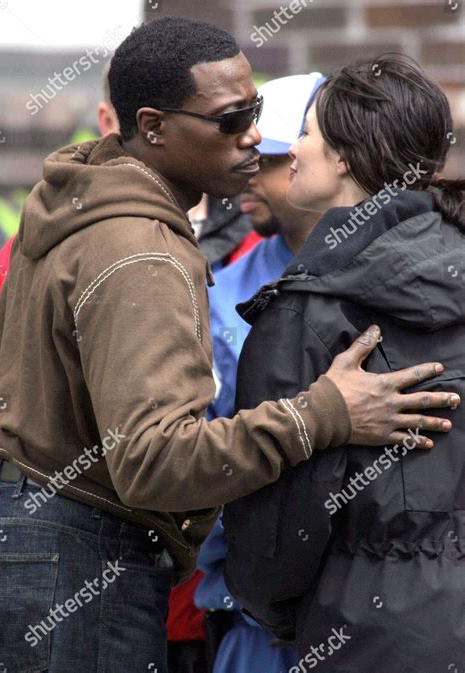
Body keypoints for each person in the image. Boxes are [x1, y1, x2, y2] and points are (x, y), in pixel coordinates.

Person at [0, 18, 457, 672]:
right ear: (153, 126)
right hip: (80, 564)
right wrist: (322, 412)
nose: (255, 136)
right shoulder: (138, 251)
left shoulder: (79, 209)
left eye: (260, 112)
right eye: (230, 118)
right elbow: (152, 461)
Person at [223, 54, 464, 672]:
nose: (292, 151)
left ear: (345, 159)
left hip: (364, 633)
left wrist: (277, 612)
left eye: (306, 133)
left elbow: (273, 520)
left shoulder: (308, 309)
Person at [208, 73, 324, 420]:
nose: (246, 175)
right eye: (243, 157)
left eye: (265, 161)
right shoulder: (220, 292)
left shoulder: (397, 269)